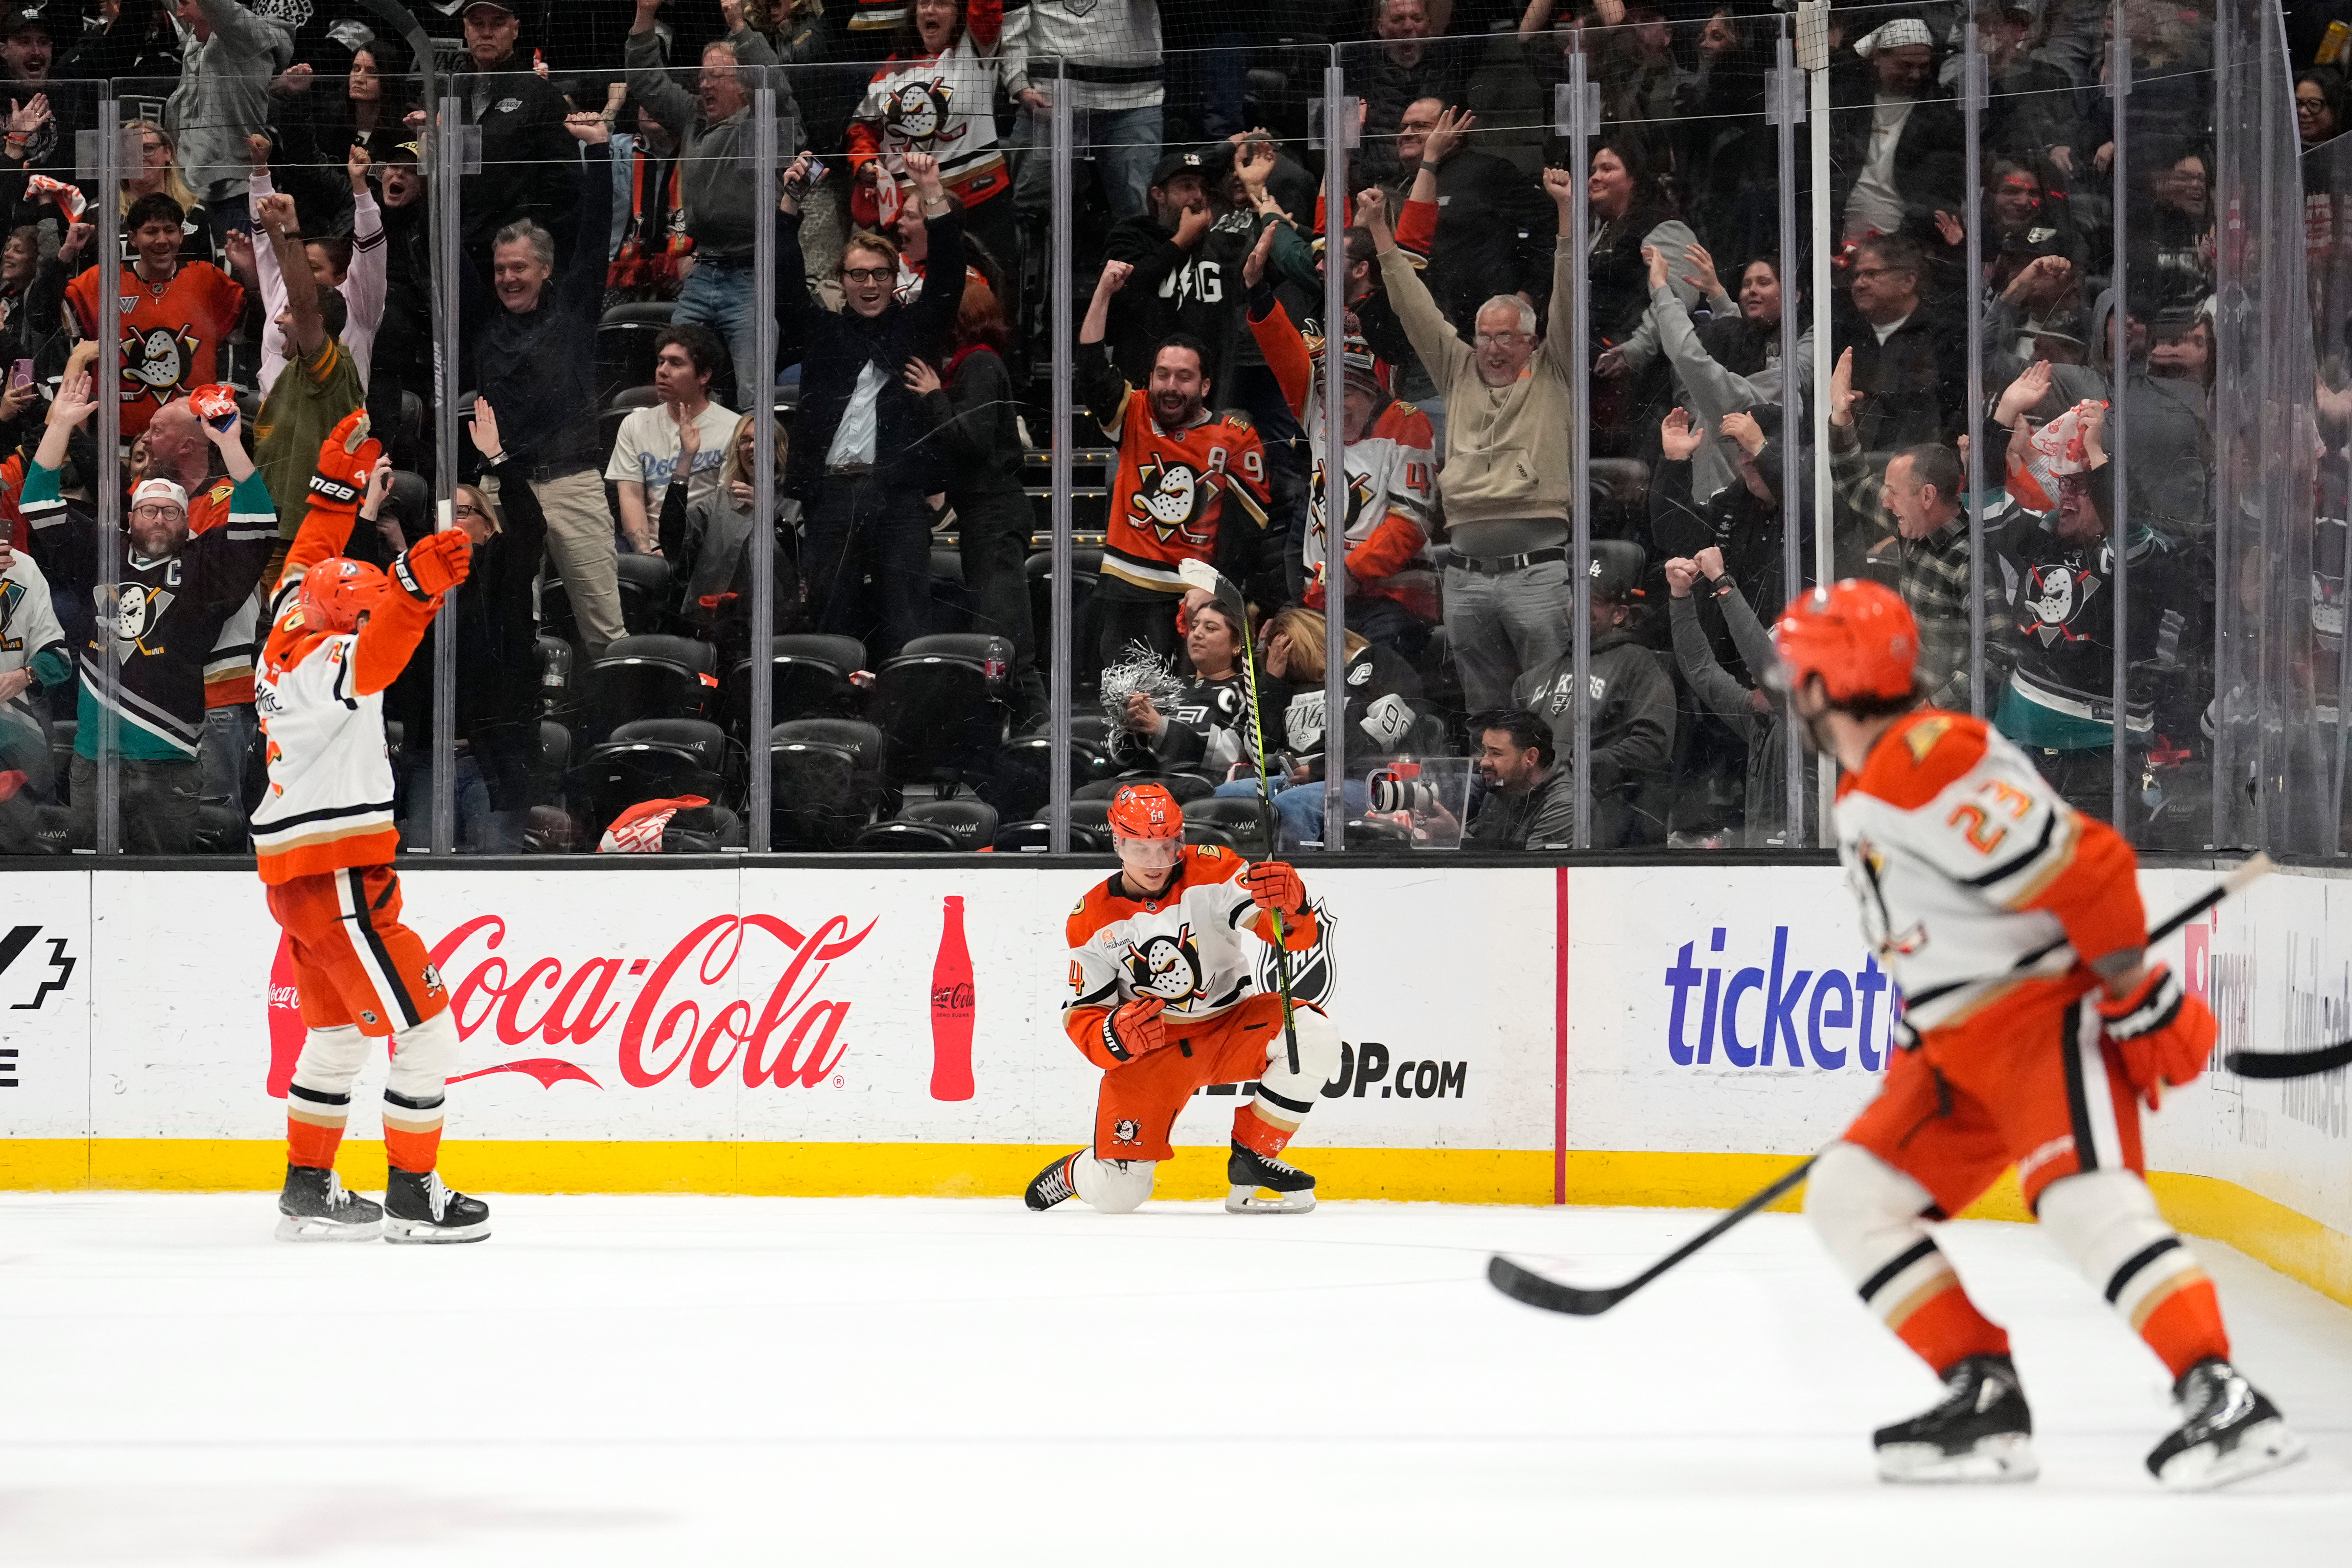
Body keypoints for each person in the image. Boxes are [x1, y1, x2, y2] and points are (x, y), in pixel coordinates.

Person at [1776, 577, 2303, 1491]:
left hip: (2035, 1026)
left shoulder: (1925, 762)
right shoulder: (1878, 776)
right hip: (1954, 1050)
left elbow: (2089, 867)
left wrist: (2126, 984)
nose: (1788, 691)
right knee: (1852, 1196)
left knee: (2081, 1201)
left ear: (1828, 681)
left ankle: (2221, 1393)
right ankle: (1980, 1394)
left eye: (1796, 672)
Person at [256, 411, 489, 1244]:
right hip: (343, 878)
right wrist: (418, 593)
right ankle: (412, 1195)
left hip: (293, 883)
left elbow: (308, 557)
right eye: (367, 610)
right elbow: (384, 652)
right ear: (346, 622)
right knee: (425, 1027)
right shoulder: (332, 669)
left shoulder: (286, 623)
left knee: (330, 1032)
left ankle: (309, 1184)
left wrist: (335, 486)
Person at [1024, 781, 1341, 1217]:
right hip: (1153, 1050)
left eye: (1168, 846)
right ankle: (1077, 1172)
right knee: (1119, 1196)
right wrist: (1113, 1035)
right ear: (1116, 842)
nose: (1156, 862)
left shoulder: (1213, 871)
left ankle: (1253, 1157)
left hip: (1232, 1025)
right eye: (1140, 849)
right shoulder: (1091, 917)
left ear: (1182, 839)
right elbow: (1083, 1016)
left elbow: (1288, 938)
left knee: (1314, 1034)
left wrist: (1292, 907)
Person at [25, 358, 272, 851]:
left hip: (171, 761)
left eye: (171, 512)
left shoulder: (206, 569)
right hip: (94, 761)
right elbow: (37, 503)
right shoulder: (102, 553)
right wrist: (61, 427)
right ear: (130, 515)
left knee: (167, 891)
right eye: (148, 510)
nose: (159, 518)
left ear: (187, 522)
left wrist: (228, 443)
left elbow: (259, 522)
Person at [1364, 175, 1576, 714]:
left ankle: (1554, 797)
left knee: (1550, 709)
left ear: (1530, 339)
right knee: (1483, 713)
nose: (1493, 347)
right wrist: (1380, 235)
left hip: (1537, 572)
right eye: (1485, 334)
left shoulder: (1554, 370)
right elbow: (1415, 311)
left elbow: (1571, 296)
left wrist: (1567, 216)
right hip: (1465, 575)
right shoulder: (1458, 370)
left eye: (1506, 336)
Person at [775, 147, 963, 662]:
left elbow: (948, 279)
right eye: (858, 275)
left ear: (893, 279)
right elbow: (784, 281)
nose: (870, 284)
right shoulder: (821, 332)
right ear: (842, 280)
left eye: (880, 274)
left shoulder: (913, 330)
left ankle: (906, 727)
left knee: (907, 620)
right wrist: (790, 201)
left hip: (898, 496)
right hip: (832, 495)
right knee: (831, 619)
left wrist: (931, 195)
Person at [459, 110, 619, 657]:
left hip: (573, 485)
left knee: (605, 631)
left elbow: (597, 233)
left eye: (519, 268)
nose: (507, 278)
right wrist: (436, 161)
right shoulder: (483, 320)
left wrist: (598, 150)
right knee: (507, 631)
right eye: (502, 268)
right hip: (504, 491)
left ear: (546, 269)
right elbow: (448, 249)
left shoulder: (575, 309)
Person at [1242, 230, 1436, 653]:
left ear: (1371, 388)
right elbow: (1286, 358)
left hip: (1390, 598)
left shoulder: (1408, 421)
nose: (1334, 400)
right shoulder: (1320, 411)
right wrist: (1258, 292)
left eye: (1347, 389)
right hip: (1327, 586)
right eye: (1327, 388)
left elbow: (1409, 526)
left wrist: (1347, 572)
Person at [1077, 255, 1271, 669]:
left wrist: (1213, 587)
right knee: (1127, 713)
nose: (1170, 386)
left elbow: (1246, 530)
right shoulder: (1135, 411)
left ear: (1204, 384)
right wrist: (1102, 293)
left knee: (1188, 716)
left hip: (1195, 598)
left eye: (1183, 377)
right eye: (1162, 374)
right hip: (1126, 588)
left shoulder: (1236, 436)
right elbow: (1092, 371)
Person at [384, 396, 553, 854]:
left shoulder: (503, 572)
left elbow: (532, 528)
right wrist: (367, 507)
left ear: (488, 527)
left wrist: (498, 457)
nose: (452, 521)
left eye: (463, 511)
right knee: (416, 881)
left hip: (491, 763)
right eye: (443, 514)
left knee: (497, 882)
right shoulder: (416, 583)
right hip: (427, 762)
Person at [626, 0, 804, 411]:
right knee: (673, 378)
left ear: (743, 85)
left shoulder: (760, 124)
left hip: (751, 275)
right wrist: (645, 14)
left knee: (753, 394)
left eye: (717, 77)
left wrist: (740, 27)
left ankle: (757, 472)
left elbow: (773, 87)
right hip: (704, 273)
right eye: (702, 76)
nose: (704, 85)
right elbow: (646, 81)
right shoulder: (693, 118)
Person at [903, 277, 1042, 717]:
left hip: (995, 515)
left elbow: (972, 438)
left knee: (1008, 641)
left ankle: (1043, 738)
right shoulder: (973, 365)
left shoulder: (979, 364)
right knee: (1000, 641)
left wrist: (933, 398)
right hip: (985, 515)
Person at [1213, 605, 1425, 849]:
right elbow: (1260, 753)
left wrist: (1318, 769)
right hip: (1294, 782)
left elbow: (1380, 735)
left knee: (1293, 804)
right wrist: (1272, 682)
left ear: (1308, 640)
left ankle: (1291, 879)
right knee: (1228, 797)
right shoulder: (1287, 685)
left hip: (1365, 780)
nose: (1281, 659)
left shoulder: (1375, 662)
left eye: (1287, 650)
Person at [1509, 539, 1675, 846]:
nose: (1580, 606)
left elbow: (1653, 744)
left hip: (1601, 819)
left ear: (1619, 613)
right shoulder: (1530, 680)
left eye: (1594, 599)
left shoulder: (1638, 664)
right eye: (1576, 596)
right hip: (1530, 819)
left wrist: (1580, 764)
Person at [63, 190, 245, 448]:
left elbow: (256, 322)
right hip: (121, 442)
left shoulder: (207, 279)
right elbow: (44, 314)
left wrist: (249, 272)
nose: (162, 240)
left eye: (170, 230)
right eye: (151, 231)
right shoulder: (103, 281)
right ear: (133, 239)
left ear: (181, 235)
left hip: (194, 440)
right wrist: (66, 255)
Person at [847, 0, 1012, 264]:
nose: (929, 10)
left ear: (959, 14)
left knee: (983, 297)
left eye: (942, 4)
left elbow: (985, 10)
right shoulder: (891, 69)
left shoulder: (975, 50)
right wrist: (865, 162)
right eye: (924, 3)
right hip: (906, 214)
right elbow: (861, 128)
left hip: (977, 204)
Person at [1664, 546, 1796, 847]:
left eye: (1762, 675)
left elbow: (1760, 660)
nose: (1751, 677)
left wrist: (1721, 582)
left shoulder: (1805, 720)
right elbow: (1700, 669)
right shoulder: (1760, 718)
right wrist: (1680, 596)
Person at [238, 135, 386, 396]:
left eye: (314, 268)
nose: (302, 274)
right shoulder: (282, 291)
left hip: (339, 427)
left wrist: (361, 188)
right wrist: (260, 169)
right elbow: (266, 234)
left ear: (341, 276)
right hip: (278, 427)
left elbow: (371, 254)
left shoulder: (360, 306)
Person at [999, 0, 1164, 223]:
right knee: (1034, 211)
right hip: (1049, 102)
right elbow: (1010, 18)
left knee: (1140, 211)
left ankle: (1138, 259)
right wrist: (1018, 85)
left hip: (1133, 101)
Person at [657, 406, 801, 660]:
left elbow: (801, 560)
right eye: (744, 441)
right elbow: (672, 542)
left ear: (778, 449)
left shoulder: (795, 505)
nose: (751, 447)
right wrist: (686, 459)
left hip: (772, 633)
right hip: (712, 629)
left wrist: (769, 512)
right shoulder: (719, 502)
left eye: (761, 440)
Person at [606, 323, 737, 558]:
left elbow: (724, 511)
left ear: (704, 376)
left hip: (708, 549)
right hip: (651, 548)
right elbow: (631, 496)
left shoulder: (734, 428)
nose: (662, 371)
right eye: (661, 361)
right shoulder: (635, 425)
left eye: (676, 363)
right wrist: (647, 554)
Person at [164, 0, 295, 214]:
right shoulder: (201, 33)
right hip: (189, 185)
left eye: (185, 3)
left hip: (233, 188)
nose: (178, 13)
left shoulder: (246, 34)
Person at [1111, 594, 1250, 781]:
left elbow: (1234, 755)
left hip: (1195, 783)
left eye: (1210, 628)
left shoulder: (1246, 689)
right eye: (1194, 626)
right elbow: (1119, 759)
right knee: (1084, 797)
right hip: (1137, 777)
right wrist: (1131, 728)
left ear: (1237, 644)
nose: (1197, 634)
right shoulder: (1168, 687)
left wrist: (1162, 729)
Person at [1462, 706, 1573, 850]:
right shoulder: (1503, 789)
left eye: (1496, 753)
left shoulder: (1563, 807)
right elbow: (1485, 846)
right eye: (1485, 752)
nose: (1484, 762)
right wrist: (1451, 835)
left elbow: (1531, 869)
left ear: (1531, 758)